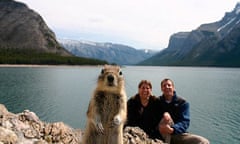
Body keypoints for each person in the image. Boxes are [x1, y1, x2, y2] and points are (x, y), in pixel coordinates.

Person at [157, 78, 209, 144]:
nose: (167, 87)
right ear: (161, 89)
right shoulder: (157, 101)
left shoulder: (182, 103)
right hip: (161, 133)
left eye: (169, 85)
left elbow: (185, 122)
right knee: (166, 118)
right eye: (164, 86)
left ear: (173, 88)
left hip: (176, 134)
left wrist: (172, 129)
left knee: (203, 142)